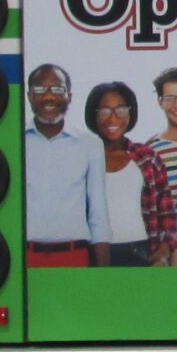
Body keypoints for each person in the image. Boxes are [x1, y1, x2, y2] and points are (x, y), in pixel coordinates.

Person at [82, 80, 177, 266]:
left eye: (121, 109)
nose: (113, 118)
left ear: (130, 113)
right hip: (95, 253)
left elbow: (167, 214)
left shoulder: (147, 157)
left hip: (141, 252)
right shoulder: (83, 158)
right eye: (104, 110)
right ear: (94, 115)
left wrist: (163, 250)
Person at [22, 63, 105, 267]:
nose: (48, 96)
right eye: (40, 89)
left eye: (57, 89)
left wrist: (104, 274)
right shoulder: (14, 141)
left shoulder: (90, 143)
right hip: (23, 256)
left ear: (69, 96)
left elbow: (98, 213)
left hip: (74, 255)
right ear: (29, 96)